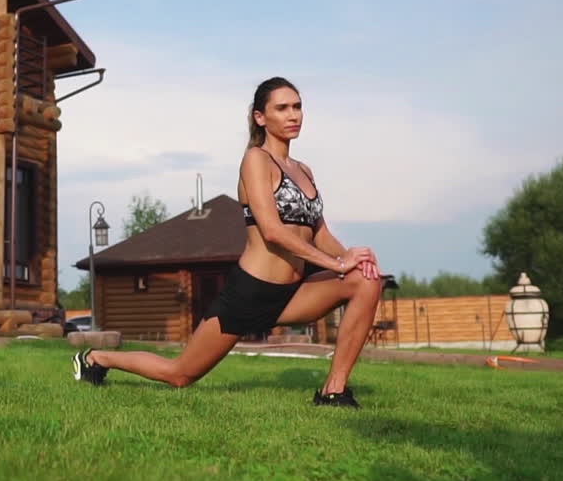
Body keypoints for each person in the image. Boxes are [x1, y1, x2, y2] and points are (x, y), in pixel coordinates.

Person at [72, 77, 383, 408]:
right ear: (261, 117)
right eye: (282, 108)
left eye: (297, 107)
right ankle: (97, 359)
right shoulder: (256, 160)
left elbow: (318, 232)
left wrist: (350, 256)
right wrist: (336, 265)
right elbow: (273, 231)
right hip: (250, 293)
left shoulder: (303, 170)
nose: (293, 115)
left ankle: (333, 391)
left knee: (366, 280)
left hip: (293, 293)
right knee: (180, 374)